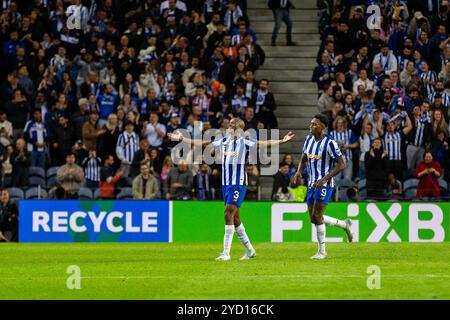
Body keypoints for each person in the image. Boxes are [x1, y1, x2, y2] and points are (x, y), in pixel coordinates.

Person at [169, 117, 295, 261]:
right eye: (228, 125)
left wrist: (281, 141)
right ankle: (250, 250)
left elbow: (263, 143)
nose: (228, 127)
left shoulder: (244, 142)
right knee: (235, 219)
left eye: (231, 125)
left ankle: (226, 253)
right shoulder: (224, 141)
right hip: (226, 184)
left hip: (238, 183)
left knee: (228, 213)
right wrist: (182, 138)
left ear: (239, 128)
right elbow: (202, 143)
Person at [292, 114, 352, 260]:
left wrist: (325, 179)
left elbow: (341, 164)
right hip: (311, 184)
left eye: (314, 124)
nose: (311, 126)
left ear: (323, 127)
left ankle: (322, 251)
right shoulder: (308, 140)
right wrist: (299, 171)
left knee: (317, 216)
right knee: (313, 218)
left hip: (325, 184)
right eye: (311, 124)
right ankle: (344, 224)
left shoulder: (329, 143)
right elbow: (304, 158)